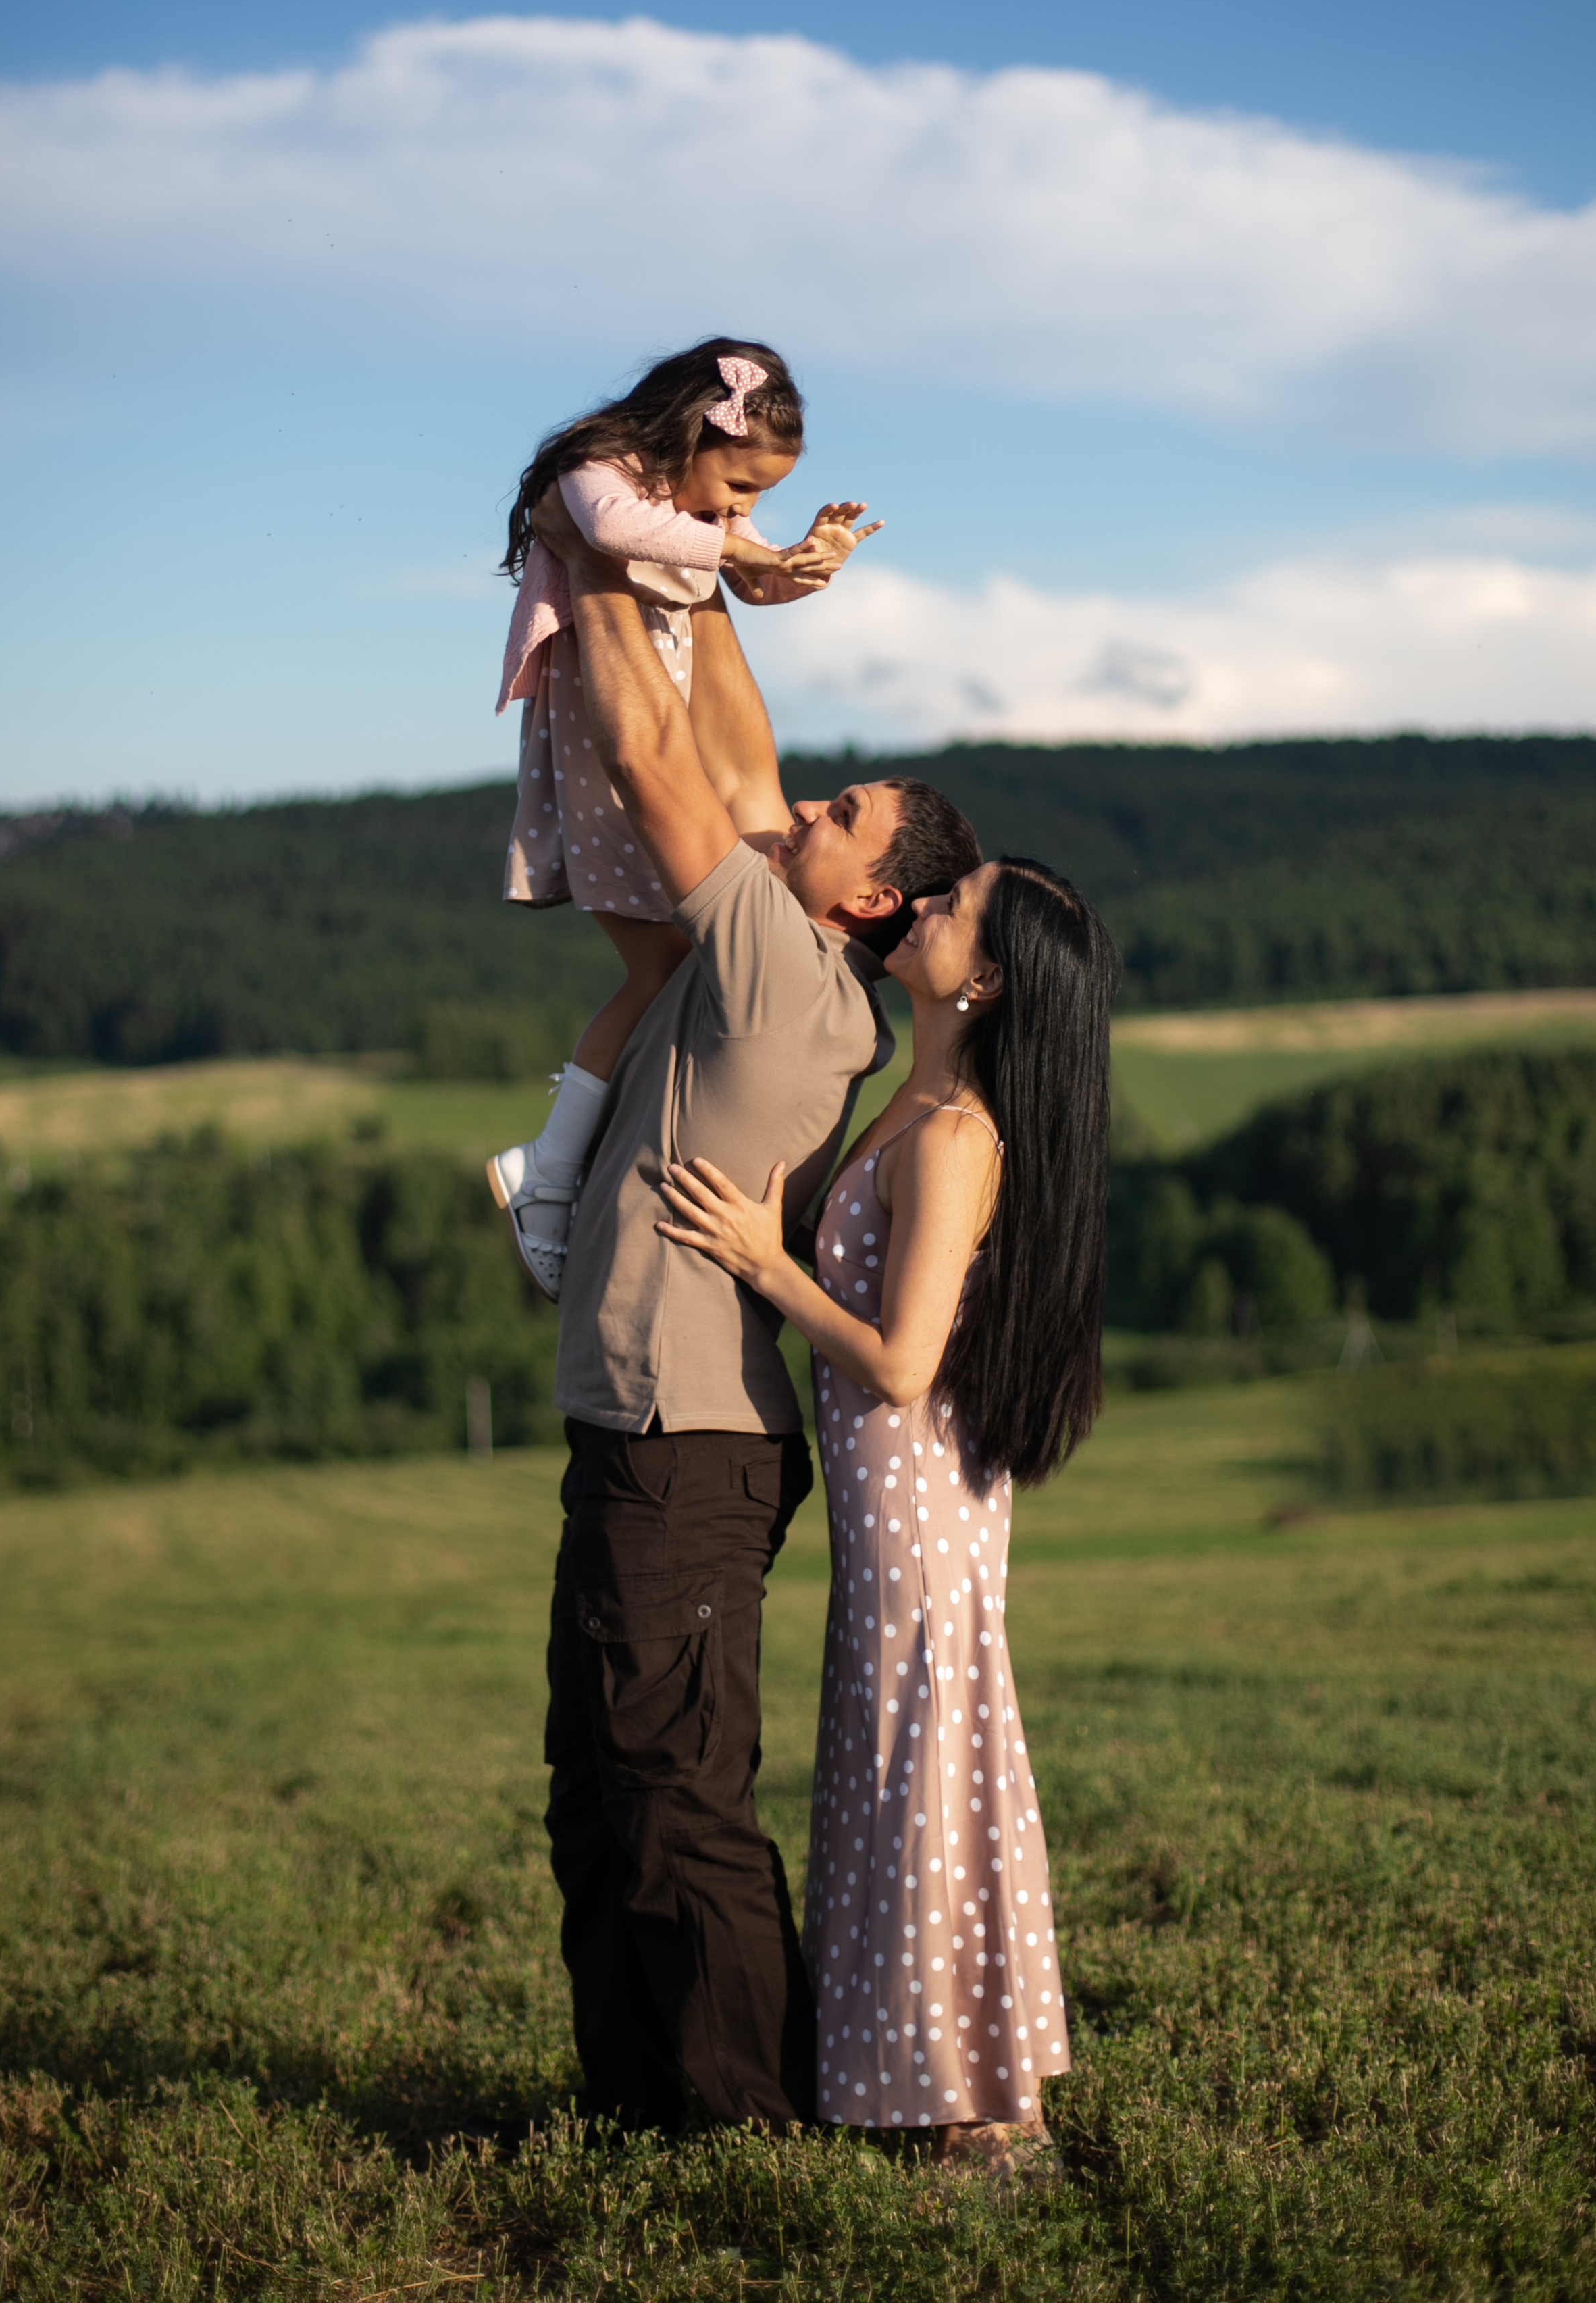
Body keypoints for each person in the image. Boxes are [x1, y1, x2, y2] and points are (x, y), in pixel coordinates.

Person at [531, 504, 983, 2135]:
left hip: (691, 1445)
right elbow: (738, 759)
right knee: (598, 1793)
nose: (799, 810)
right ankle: (631, 2110)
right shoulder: (779, 948)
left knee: (675, 1796)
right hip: (638, 1430)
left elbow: (663, 759)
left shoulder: (783, 972)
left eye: (841, 821)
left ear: (869, 904)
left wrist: (597, 549)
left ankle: (749, 2124)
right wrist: (714, 567)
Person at [656, 854, 1118, 2177]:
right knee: (900, 1763)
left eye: (951, 907)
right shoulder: (914, 1102)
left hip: (918, 1502)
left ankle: (979, 2106)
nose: (922, 907)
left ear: (984, 980)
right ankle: (929, 2081)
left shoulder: (957, 1137)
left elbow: (905, 1362)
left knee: (923, 1768)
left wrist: (766, 1264)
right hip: (896, 1504)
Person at [488, 338, 881, 1297]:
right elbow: (614, 530)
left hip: (675, 721)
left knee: (679, 968)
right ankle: (549, 1171)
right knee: (660, 968)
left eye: (757, 497)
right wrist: (745, 545)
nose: (740, 509)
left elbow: (744, 580)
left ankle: (565, 1163)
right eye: (739, 484)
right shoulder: (600, 472)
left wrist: (801, 566)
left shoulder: (700, 509)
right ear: (691, 433)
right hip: (610, 737)